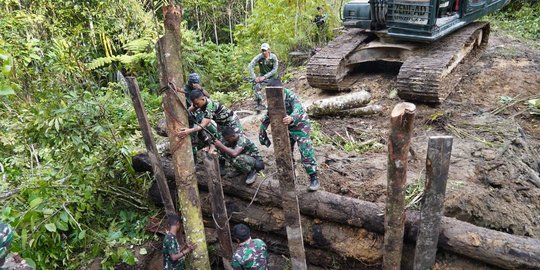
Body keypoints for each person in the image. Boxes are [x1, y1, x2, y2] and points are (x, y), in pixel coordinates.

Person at [259, 80, 320, 191]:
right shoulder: (272, 98)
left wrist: (292, 117)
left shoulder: (290, 96)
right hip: (285, 127)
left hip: (300, 125)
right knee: (285, 150)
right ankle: (290, 174)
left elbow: (298, 108)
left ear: (282, 89)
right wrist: (263, 127)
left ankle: (313, 177)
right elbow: (269, 113)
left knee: (305, 149)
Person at [179, 90, 243, 140]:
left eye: (197, 104)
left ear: (203, 99)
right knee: (223, 142)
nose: (196, 105)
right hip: (221, 124)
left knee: (238, 139)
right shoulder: (200, 102)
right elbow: (191, 108)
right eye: (194, 104)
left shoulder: (209, 108)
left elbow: (202, 125)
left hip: (232, 121)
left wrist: (188, 131)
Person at [248, 43, 279, 112]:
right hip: (262, 77)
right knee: (256, 86)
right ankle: (259, 104)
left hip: (273, 77)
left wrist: (264, 77)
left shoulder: (273, 57)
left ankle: (278, 105)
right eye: (262, 51)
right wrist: (254, 77)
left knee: (277, 91)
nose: (264, 52)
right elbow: (250, 65)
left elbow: (274, 70)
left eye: (265, 50)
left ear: (269, 50)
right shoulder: (260, 57)